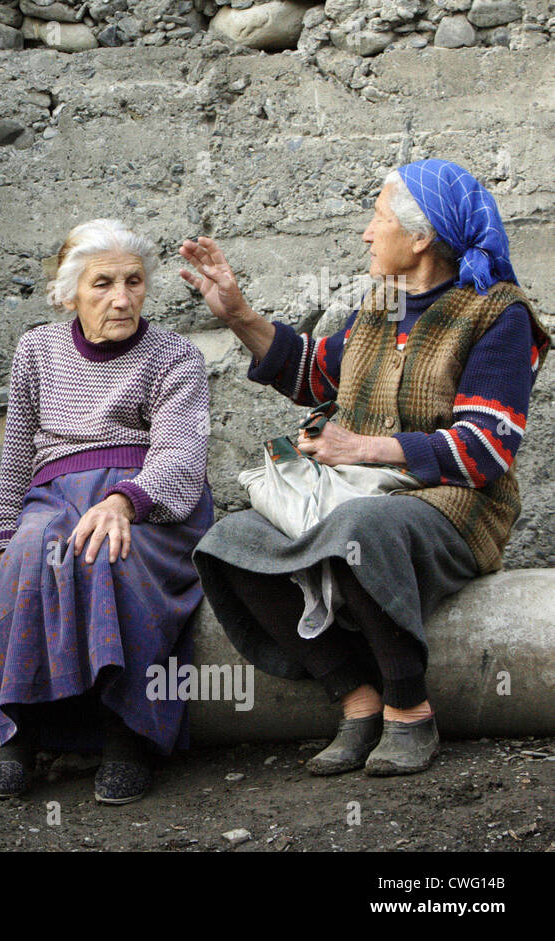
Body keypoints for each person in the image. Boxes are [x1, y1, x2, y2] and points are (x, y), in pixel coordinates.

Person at [187, 160, 549, 777]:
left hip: (454, 504)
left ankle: (410, 708)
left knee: (360, 528)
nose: (365, 233)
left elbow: (486, 449)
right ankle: (355, 697)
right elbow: (313, 372)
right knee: (231, 541)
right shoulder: (380, 303)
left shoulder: (497, 315)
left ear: (421, 237)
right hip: (357, 496)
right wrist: (238, 315)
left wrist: (364, 449)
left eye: (377, 218)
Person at [0, 219, 214, 804]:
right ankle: (18, 738)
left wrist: (125, 501)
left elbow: (181, 452)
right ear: (69, 292)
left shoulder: (176, 356)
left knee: (114, 554)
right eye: (103, 283)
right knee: (31, 554)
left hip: (150, 501)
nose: (122, 298)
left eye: (134, 281)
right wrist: (0, 541)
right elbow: (18, 454)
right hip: (53, 498)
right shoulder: (38, 350)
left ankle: (128, 736)